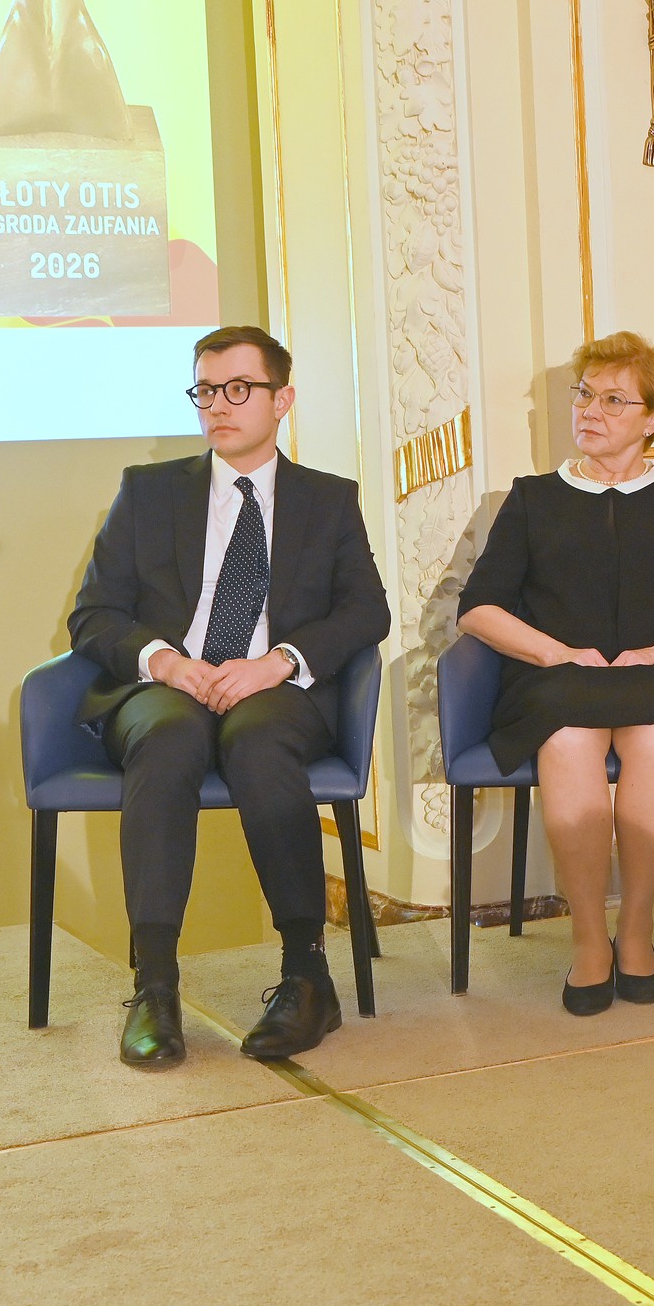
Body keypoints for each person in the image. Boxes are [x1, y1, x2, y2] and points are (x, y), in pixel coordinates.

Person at [70, 324, 391, 1069]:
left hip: (271, 688)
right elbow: (94, 614)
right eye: (206, 390)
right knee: (168, 736)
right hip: (169, 686)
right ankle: (154, 986)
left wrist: (279, 661)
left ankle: (306, 976)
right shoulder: (147, 492)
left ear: (283, 399)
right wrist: (164, 661)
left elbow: (366, 610)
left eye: (238, 389)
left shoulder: (327, 500)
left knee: (260, 739)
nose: (218, 404)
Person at [456, 332, 654, 1015]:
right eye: (585, 394)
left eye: (613, 400)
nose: (590, 410)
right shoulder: (533, 498)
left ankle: (638, 927)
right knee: (568, 740)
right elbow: (478, 608)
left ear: (653, 418)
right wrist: (555, 652)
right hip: (558, 677)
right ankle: (589, 936)